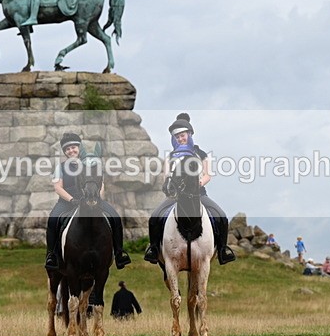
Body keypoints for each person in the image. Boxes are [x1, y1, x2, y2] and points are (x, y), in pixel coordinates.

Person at [144, 113, 236, 266]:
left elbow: (208, 175)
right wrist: (169, 186)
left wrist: (198, 183)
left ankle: (222, 250)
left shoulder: (200, 154)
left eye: (183, 135)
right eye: (178, 137)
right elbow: (166, 176)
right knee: (155, 217)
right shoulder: (170, 157)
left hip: (198, 194)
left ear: (189, 134)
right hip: (175, 196)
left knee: (221, 216)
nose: (181, 139)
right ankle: (154, 248)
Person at [45, 133, 131, 271]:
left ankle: (120, 253)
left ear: (79, 148)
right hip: (67, 202)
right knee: (53, 220)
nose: (71, 151)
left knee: (115, 217)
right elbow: (58, 187)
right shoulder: (60, 167)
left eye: (73, 147)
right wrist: (72, 200)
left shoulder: (91, 165)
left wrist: (98, 197)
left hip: (92, 199)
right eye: (67, 149)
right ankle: (52, 255)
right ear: (64, 152)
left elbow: (100, 184)